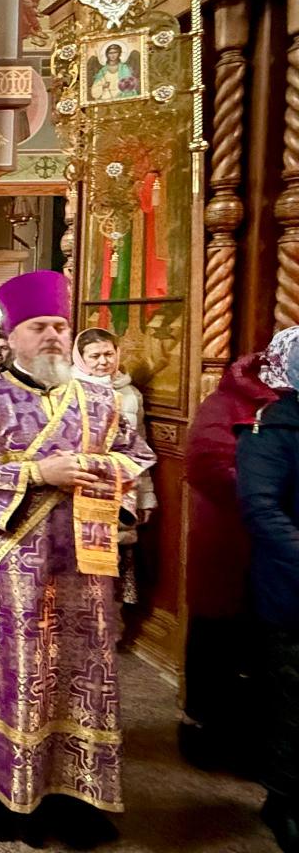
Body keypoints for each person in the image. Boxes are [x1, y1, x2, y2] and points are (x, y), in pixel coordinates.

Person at [0, 270, 154, 848]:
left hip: (84, 565)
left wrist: (100, 469)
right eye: (40, 326)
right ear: (13, 336)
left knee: (81, 674)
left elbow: (136, 457)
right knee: (16, 674)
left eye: (60, 325)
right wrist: (39, 472)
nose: (54, 335)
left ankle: (76, 798)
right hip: (9, 570)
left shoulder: (102, 400)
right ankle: (0, 796)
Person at [181, 345, 281, 773]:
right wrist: (269, 495)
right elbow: (207, 464)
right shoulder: (226, 402)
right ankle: (210, 733)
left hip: (279, 554)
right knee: (219, 641)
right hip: (228, 542)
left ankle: (262, 740)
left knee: (266, 649)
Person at [237, 326, 299, 851]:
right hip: (291, 589)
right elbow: (261, 508)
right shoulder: (272, 429)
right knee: (293, 703)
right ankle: (286, 801)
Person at [73, 328, 158, 604]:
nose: (103, 361)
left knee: (114, 559)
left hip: (122, 486)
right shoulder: (67, 390)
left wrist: (146, 496)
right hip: (81, 485)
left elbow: (140, 447)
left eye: (108, 354)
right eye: (94, 355)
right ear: (81, 357)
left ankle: (107, 619)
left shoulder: (131, 394)